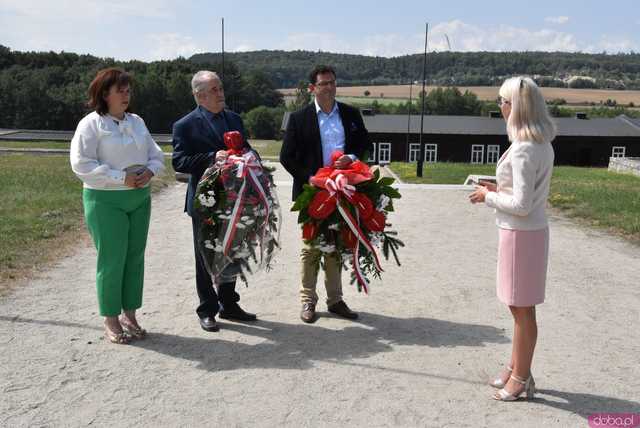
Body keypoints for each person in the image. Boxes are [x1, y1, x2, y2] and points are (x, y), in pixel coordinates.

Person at [469, 76, 556, 401]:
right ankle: (518, 366)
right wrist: (496, 189)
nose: (501, 106)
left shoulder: (523, 149)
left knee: (521, 310)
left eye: (503, 101)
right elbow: (527, 196)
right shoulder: (540, 143)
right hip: (529, 233)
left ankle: (521, 376)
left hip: (521, 235)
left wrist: (486, 197)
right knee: (519, 307)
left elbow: (520, 205)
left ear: (516, 106)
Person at [70, 67, 165, 344]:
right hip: (105, 200)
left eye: (128, 89)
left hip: (139, 198)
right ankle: (110, 318)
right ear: (104, 94)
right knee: (112, 260)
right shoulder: (91, 124)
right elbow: (81, 164)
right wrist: (119, 177)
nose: (126, 94)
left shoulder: (137, 121)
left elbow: (155, 155)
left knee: (135, 258)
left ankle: (130, 314)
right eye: (120, 90)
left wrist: (150, 171)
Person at [280, 65, 372, 324]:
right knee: (311, 248)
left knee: (335, 245)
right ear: (312, 89)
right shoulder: (299, 118)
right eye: (323, 84)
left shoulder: (351, 114)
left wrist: (351, 157)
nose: (329, 87)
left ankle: (335, 300)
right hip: (313, 192)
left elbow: (365, 143)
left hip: (344, 189)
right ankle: (308, 300)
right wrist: (311, 178)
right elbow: (286, 157)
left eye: (332, 82)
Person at [172, 70, 257, 332]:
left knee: (233, 250)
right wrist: (212, 157)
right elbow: (179, 161)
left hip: (235, 198)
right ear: (199, 96)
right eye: (215, 90)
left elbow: (247, 148)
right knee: (205, 256)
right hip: (205, 200)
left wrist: (250, 157)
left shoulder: (233, 118)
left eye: (221, 88)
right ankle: (207, 309)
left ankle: (229, 303)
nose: (221, 94)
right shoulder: (184, 125)